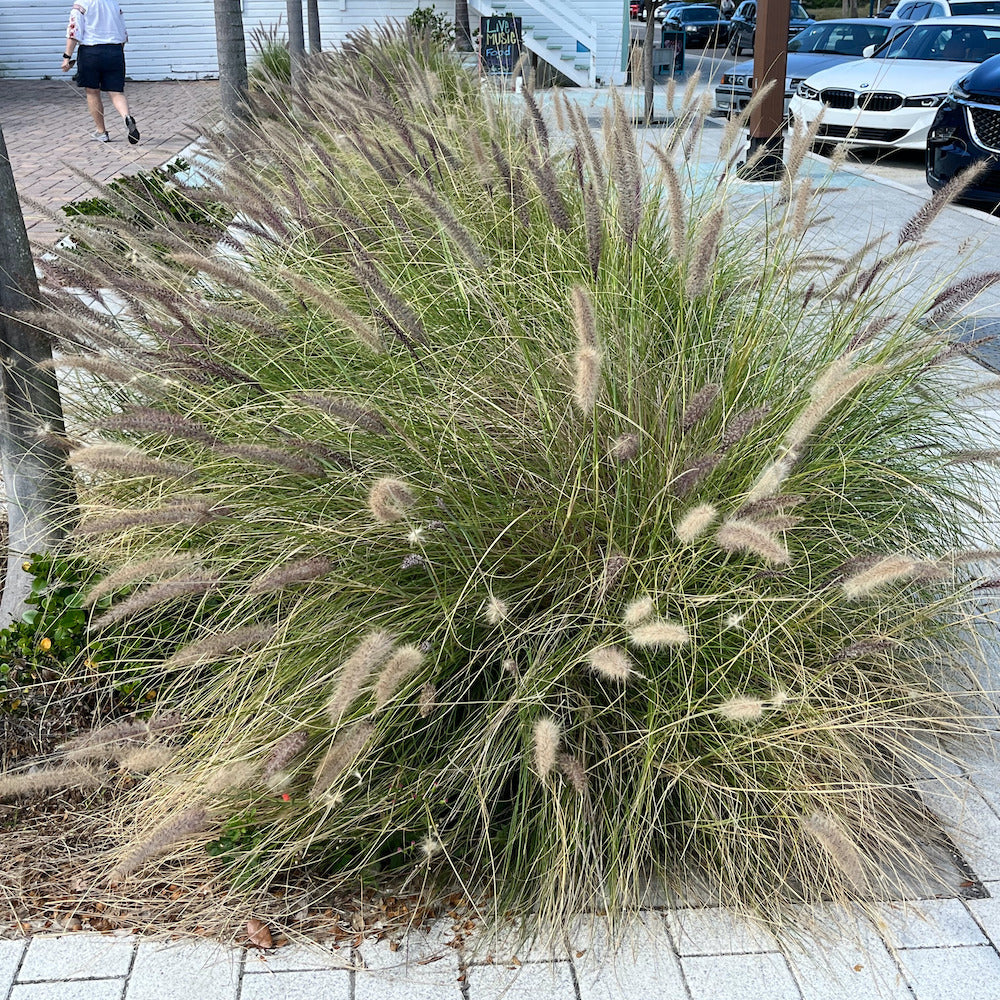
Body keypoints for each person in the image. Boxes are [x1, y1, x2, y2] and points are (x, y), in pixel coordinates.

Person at [61, 0, 140, 144]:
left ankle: (101, 132)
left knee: (92, 92)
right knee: (116, 92)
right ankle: (126, 116)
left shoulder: (81, 4)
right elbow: (123, 33)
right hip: (114, 50)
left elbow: (74, 32)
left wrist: (67, 57)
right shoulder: (113, 4)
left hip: (91, 52)